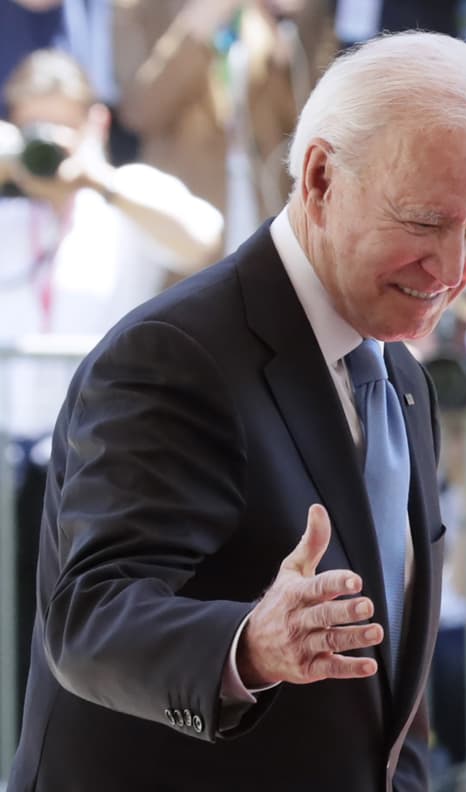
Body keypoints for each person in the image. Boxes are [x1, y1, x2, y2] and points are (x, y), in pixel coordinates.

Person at [8, 30, 466, 792]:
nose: (452, 270)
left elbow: (387, 711)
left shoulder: (403, 381)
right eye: (423, 222)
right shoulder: (173, 353)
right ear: (319, 177)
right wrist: (248, 645)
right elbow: (88, 621)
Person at [0, 47, 223, 715]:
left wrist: (93, 175)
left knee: (70, 642)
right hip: (7, 456)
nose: (48, 148)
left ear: (95, 123)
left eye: (61, 128)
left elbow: (202, 237)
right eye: (32, 129)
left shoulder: (123, 204)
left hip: (89, 464)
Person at [112, 0, 337, 253]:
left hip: (258, 210)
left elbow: (311, 120)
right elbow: (139, 113)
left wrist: (290, 32)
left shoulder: (258, 13)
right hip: (189, 216)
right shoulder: (136, 9)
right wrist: (193, 30)